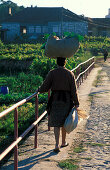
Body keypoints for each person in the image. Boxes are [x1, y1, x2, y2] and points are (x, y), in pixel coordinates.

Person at [36, 57, 79, 153]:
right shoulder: (70, 73)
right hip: (67, 100)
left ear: (57, 63)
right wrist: (76, 103)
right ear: (65, 63)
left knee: (56, 123)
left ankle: (56, 144)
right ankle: (63, 142)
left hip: (55, 99)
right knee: (65, 121)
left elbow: (45, 87)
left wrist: (38, 90)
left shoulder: (52, 73)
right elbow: (74, 90)